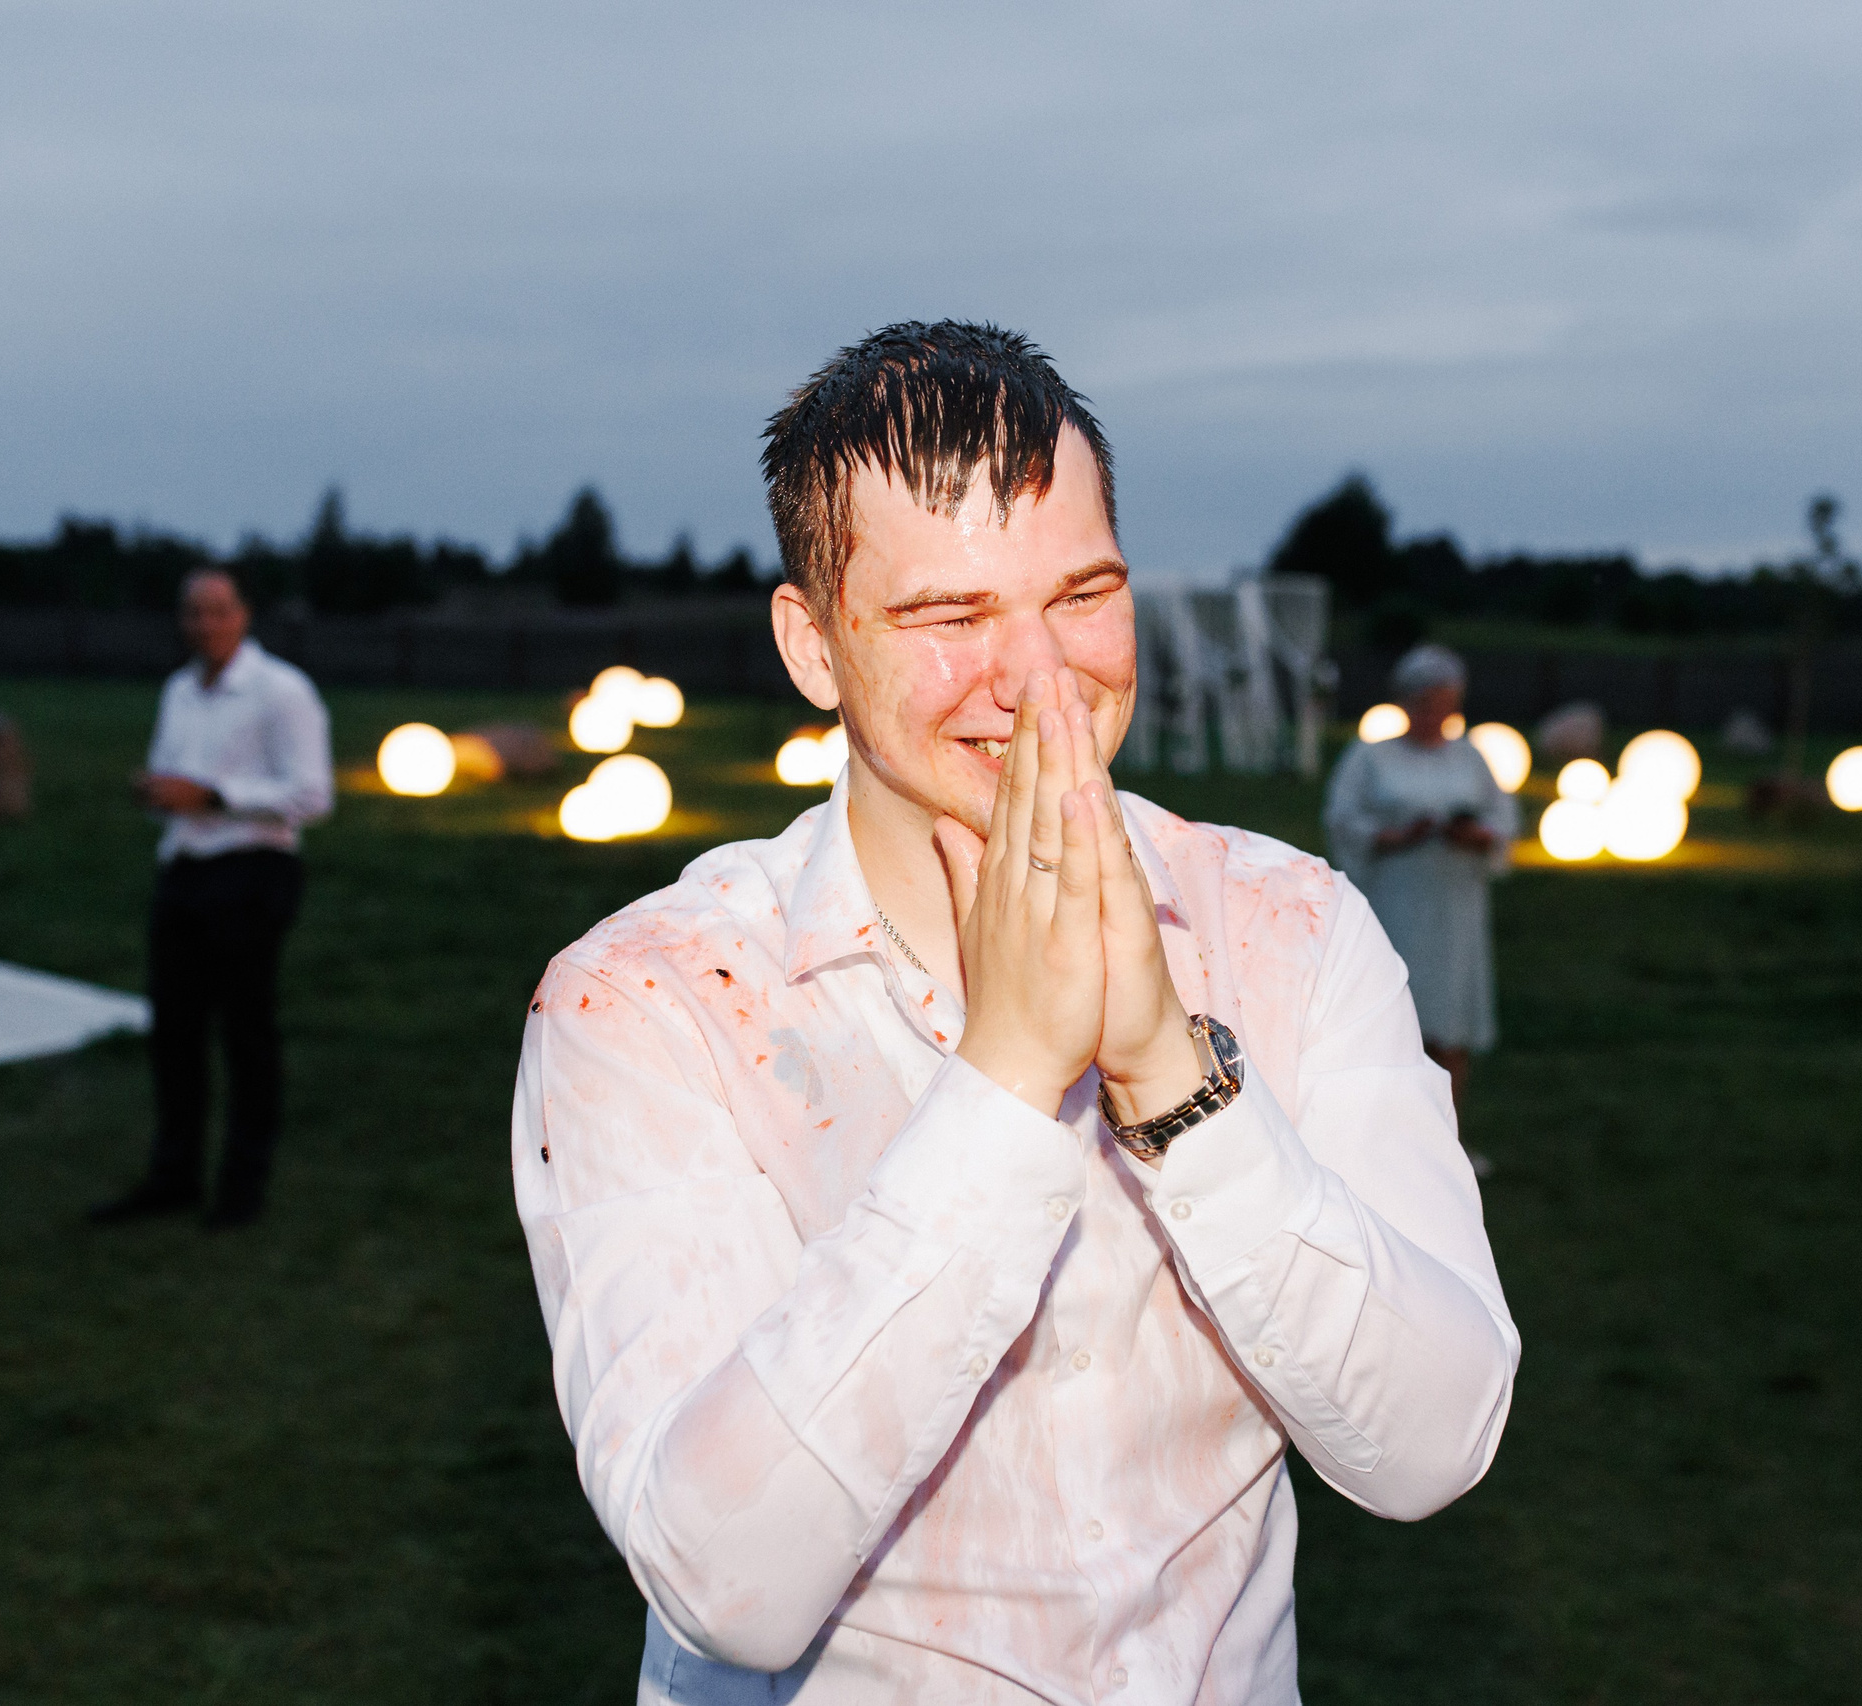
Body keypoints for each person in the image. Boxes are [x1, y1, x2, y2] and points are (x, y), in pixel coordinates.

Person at [510, 322, 1518, 1703]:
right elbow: (724, 1580)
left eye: (1083, 592)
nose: (1039, 675)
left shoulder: (1288, 929)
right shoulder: (653, 1000)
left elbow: (1435, 1440)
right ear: (813, 644)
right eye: (948, 616)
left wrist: (1171, 1073)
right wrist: (1006, 1085)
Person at [91, 568, 331, 1230]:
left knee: (246, 1032)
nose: (206, 624)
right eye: (194, 612)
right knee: (174, 1033)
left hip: (253, 871)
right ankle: (174, 1176)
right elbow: (178, 776)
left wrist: (216, 797)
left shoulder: (281, 692)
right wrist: (161, 793)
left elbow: (313, 794)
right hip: (186, 871)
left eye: (218, 611)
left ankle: (243, 1186)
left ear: (244, 615)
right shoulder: (179, 690)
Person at [1322, 644, 1520, 1117]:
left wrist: (1475, 835)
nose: (1437, 713)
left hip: (1454, 904)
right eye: (1428, 702)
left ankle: (1449, 1145)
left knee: (1450, 1023)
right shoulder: (1370, 758)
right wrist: (1393, 836)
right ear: (1407, 702)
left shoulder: (1470, 758)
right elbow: (1342, 820)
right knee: (1392, 1022)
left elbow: (1503, 818)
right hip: (1396, 899)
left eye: (1446, 703)